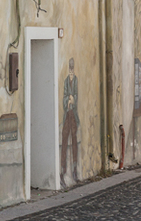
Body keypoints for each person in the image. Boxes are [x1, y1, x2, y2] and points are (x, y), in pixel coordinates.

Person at [60, 58, 80, 188]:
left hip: (73, 115)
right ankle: (63, 169)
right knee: (64, 138)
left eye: (72, 69)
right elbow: (65, 96)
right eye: (70, 69)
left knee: (74, 140)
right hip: (67, 114)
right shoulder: (66, 81)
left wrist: (74, 99)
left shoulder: (76, 80)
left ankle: (74, 169)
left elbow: (76, 96)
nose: (71, 71)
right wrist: (68, 100)